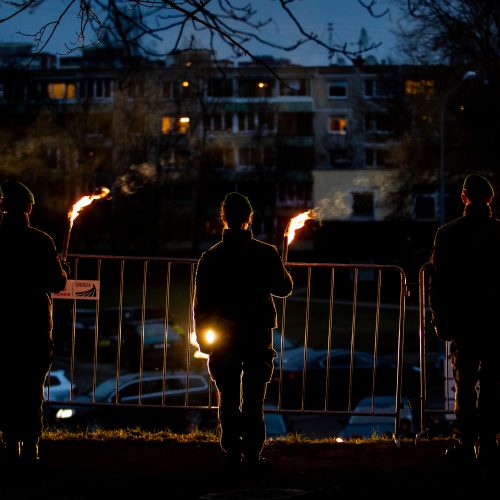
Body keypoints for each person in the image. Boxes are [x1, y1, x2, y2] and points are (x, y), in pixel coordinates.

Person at [193, 192, 293, 469]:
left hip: (223, 336)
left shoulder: (210, 257)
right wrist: (281, 268)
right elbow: (284, 288)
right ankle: (252, 453)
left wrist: (203, 339)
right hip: (256, 334)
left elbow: (200, 304)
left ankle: (232, 452)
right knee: (253, 398)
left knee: (228, 397)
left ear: (223, 218)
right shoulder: (266, 253)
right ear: (249, 218)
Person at [428, 173, 500, 471]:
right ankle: (489, 443)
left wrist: (440, 318)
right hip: (496, 320)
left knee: (465, 383)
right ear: (490, 199)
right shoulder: (499, 233)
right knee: (494, 384)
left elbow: (439, 282)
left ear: (464, 197)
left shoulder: (448, 233)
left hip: (464, 320)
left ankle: (465, 443)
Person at [0, 180, 69, 465]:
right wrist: (63, 269)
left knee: (3, 384)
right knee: (30, 388)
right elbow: (55, 283)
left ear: (3, 206)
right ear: (28, 208)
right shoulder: (41, 241)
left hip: (2, 327)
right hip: (33, 327)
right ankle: (29, 447)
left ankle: (6, 445)